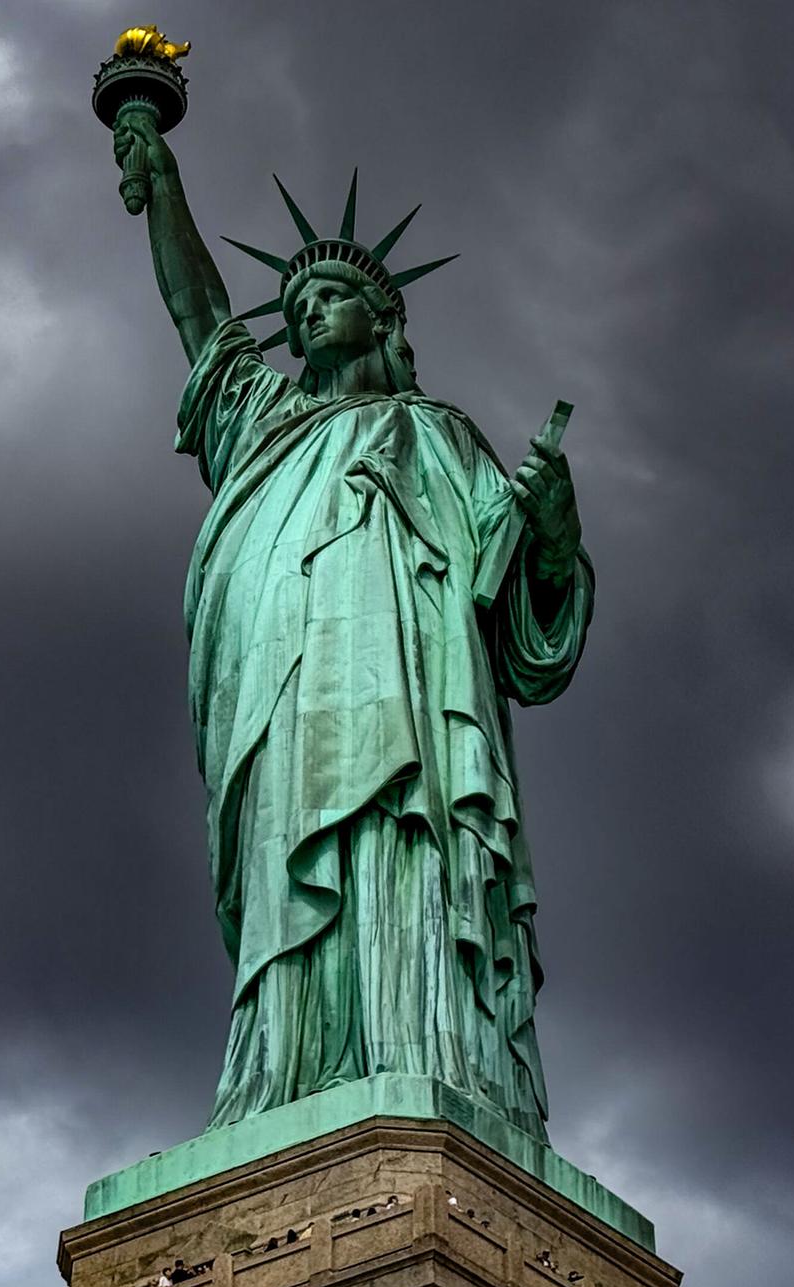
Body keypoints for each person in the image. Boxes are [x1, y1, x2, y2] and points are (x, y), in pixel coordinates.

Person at [113, 110, 591, 1140]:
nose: (311, 310)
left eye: (332, 296)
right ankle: (287, 1075)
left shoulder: (440, 435)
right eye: (299, 301)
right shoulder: (262, 425)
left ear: (381, 318)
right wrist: (164, 185)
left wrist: (552, 534)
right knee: (296, 861)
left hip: (416, 698)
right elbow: (201, 316)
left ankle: (425, 1052)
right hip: (285, 688)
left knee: (405, 846)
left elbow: (521, 623)